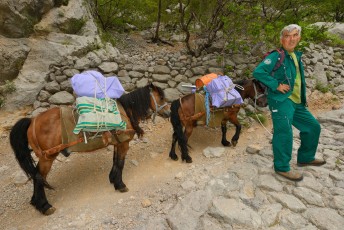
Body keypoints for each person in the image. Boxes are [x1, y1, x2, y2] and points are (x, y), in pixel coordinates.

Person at [253, 24, 326, 182]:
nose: (290, 39)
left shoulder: (295, 55)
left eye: (294, 35)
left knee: (313, 127)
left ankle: (306, 157)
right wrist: (276, 85)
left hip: (296, 102)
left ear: (299, 38)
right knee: (284, 132)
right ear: (282, 39)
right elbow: (258, 72)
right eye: (287, 36)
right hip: (281, 101)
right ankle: (282, 167)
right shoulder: (276, 55)